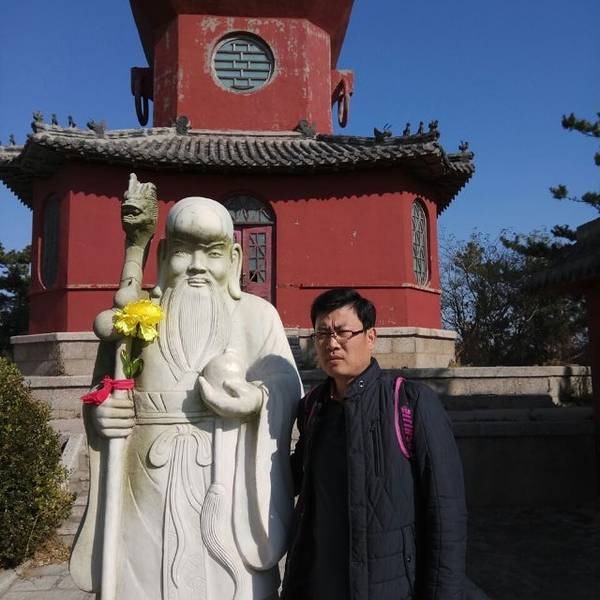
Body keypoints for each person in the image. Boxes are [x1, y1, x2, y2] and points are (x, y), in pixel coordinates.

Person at [71, 197, 302, 600]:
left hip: (227, 478)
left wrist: (256, 400)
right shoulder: (135, 318)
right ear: (162, 256)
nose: (197, 266)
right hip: (146, 483)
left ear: (233, 258)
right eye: (182, 252)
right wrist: (102, 414)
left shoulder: (258, 315)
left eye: (211, 253)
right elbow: (103, 389)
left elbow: (286, 383)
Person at [281, 288, 467, 600]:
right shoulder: (312, 408)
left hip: (388, 586)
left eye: (343, 332)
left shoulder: (409, 403)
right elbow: (293, 479)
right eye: (322, 333)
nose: (331, 343)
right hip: (318, 585)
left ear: (371, 337)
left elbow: (446, 513)